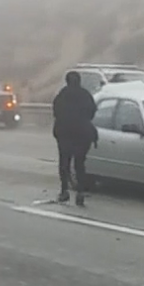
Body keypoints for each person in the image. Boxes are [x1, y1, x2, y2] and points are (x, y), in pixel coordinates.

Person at [51, 71, 98, 206]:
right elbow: (92, 112)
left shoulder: (62, 95)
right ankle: (80, 192)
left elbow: (56, 112)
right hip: (82, 133)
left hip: (64, 133)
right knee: (80, 163)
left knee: (64, 163)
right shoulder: (86, 95)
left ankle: (64, 190)